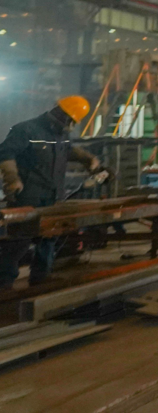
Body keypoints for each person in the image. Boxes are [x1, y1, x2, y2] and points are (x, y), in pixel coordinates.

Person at [0, 96, 105, 289]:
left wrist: (87, 159)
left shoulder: (60, 134)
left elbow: (67, 150)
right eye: (69, 119)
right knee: (18, 242)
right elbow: (5, 153)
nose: (69, 124)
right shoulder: (26, 129)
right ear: (61, 113)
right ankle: (4, 285)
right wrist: (12, 179)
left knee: (48, 239)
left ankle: (40, 280)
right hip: (29, 196)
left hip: (53, 196)